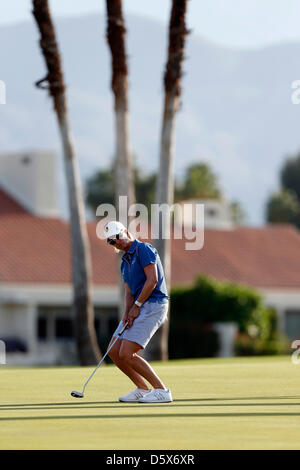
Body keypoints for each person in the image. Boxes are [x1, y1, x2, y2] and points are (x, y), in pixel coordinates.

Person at [104, 220, 173, 403]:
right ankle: (142, 388)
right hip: (139, 306)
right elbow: (128, 292)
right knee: (113, 350)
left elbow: (152, 280)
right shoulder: (124, 261)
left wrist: (137, 307)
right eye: (111, 241)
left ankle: (162, 391)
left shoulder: (143, 249)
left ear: (125, 232)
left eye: (117, 237)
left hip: (154, 304)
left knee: (126, 353)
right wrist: (127, 313)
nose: (116, 242)